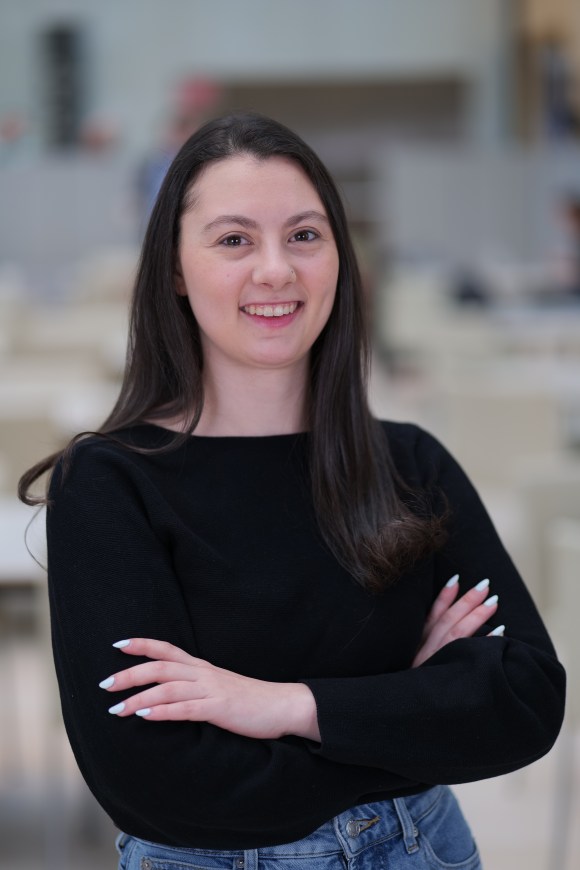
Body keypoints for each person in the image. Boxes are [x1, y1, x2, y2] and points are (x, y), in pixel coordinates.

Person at [19, 113, 565, 870]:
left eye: (304, 235)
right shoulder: (112, 483)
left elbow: (526, 699)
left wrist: (279, 705)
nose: (276, 270)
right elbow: (154, 783)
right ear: (174, 269)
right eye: (234, 240)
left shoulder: (410, 464)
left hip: (422, 850)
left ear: (340, 257)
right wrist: (406, 708)